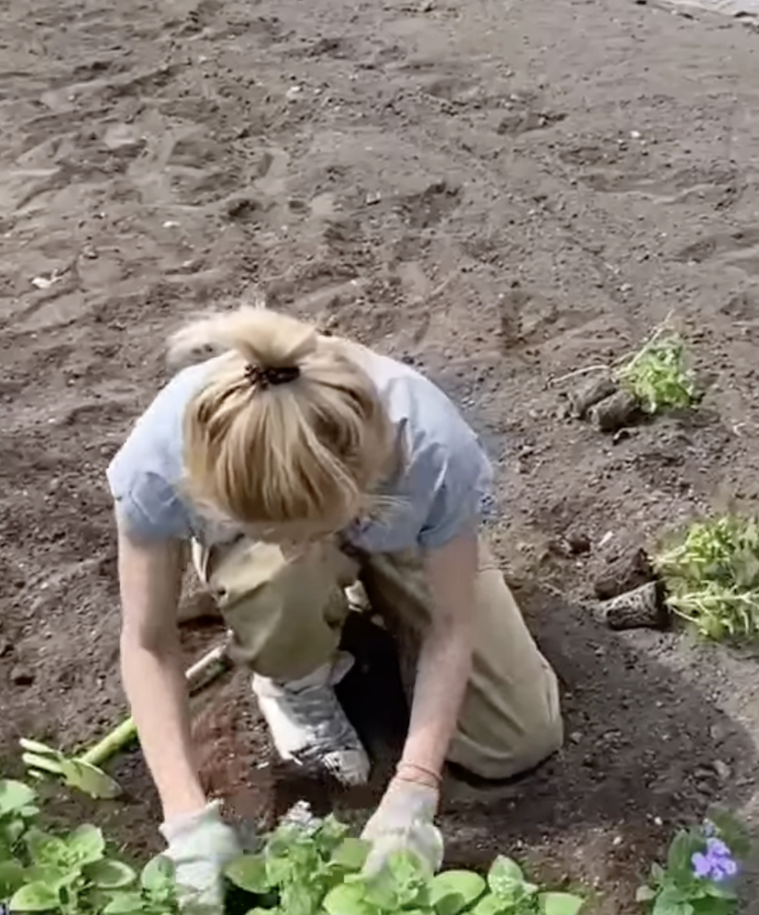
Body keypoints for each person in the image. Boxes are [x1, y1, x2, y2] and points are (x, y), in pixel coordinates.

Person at [106, 307, 564, 912]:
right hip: (272, 554)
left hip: (400, 527)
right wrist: (186, 821)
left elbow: (452, 624)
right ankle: (290, 670)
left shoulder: (427, 443)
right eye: (273, 529)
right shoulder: (161, 455)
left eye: (308, 529)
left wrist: (414, 788)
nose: (300, 542)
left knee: (516, 740)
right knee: (277, 574)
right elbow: (147, 641)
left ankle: (358, 591)